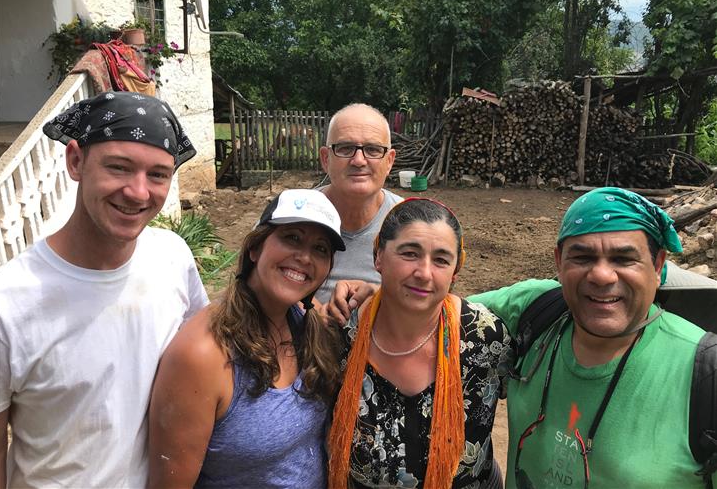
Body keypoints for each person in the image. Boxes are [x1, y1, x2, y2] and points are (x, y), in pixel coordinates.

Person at [0, 91, 209, 488]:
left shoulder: (172, 258)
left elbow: (206, 358)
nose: (139, 192)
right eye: (119, 167)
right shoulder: (7, 302)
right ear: (76, 161)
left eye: (158, 174)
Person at [468, 187, 716, 488]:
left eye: (624, 259)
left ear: (658, 265)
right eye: (583, 257)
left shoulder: (705, 376)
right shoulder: (535, 310)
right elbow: (434, 313)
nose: (601, 275)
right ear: (559, 262)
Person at [147, 189, 346, 489]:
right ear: (255, 248)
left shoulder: (304, 322)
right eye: (292, 237)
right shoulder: (204, 355)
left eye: (320, 249)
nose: (304, 257)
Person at [328, 198, 512, 489]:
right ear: (378, 257)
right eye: (409, 253)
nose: (424, 273)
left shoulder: (486, 337)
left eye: (441, 259)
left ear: (455, 271)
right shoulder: (339, 336)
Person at [315, 103, 402, 305]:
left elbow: (433, 299)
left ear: (389, 161)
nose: (359, 160)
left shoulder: (410, 223)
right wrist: (302, 309)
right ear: (325, 158)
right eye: (346, 148)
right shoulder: (292, 215)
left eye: (372, 149)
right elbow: (253, 284)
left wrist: (380, 301)